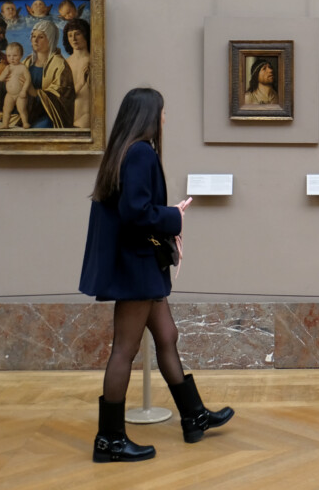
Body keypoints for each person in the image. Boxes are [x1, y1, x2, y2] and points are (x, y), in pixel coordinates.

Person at [79, 88, 234, 463]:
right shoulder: (140, 152)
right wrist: (174, 216)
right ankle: (110, 440)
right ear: (150, 115)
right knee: (125, 350)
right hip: (137, 265)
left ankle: (193, 415)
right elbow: (137, 212)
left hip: (140, 263)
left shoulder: (126, 150)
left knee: (167, 335)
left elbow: (130, 209)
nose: (165, 119)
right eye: (162, 112)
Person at [12, 19, 74, 128]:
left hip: (49, 116)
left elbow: (62, 96)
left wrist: (34, 92)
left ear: (50, 40)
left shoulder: (60, 65)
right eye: (33, 36)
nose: (35, 40)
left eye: (40, 37)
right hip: (27, 112)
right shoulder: (27, 62)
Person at [63, 18, 92, 128]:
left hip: (85, 118)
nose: (73, 39)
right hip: (66, 119)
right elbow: (63, 96)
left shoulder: (93, 62)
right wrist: (80, 83)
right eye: (70, 35)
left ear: (86, 34)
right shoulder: (65, 63)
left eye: (77, 34)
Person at [0, 43, 32, 129]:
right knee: (6, 110)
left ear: (21, 56)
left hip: (20, 94)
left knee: (22, 110)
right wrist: (5, 73)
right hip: (9, 94)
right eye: (9, 56)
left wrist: (24, 90)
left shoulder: (22, 68)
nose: (12, 58)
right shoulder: (8, 67)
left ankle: (25, 123)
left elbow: (28, 80)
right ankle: (5, 124)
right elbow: (1, 79)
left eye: (15, 55)